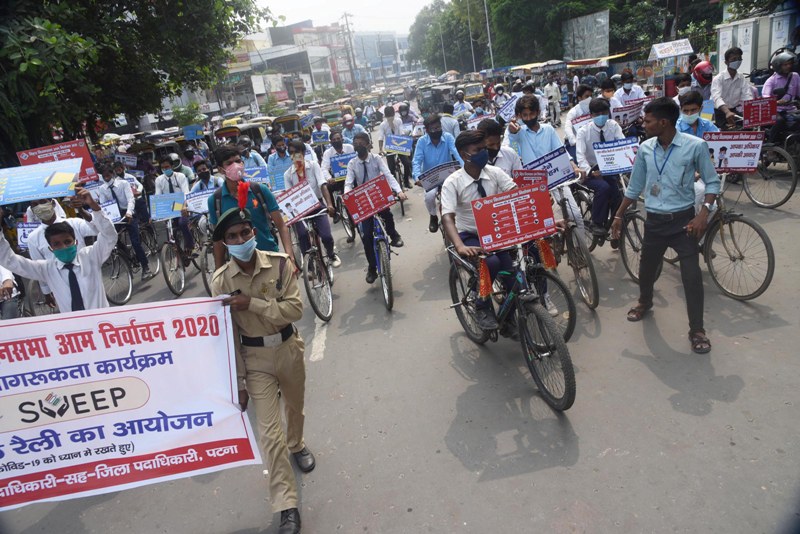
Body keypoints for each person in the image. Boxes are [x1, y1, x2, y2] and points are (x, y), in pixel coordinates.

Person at [210, 207, 312, 534]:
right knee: (269, 434)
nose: (240, 240)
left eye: (244, 233)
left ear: (254, 233)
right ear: (224, 244)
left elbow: (294, 310)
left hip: (287, 349)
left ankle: (297, 444)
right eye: (232, 237)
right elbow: (227, 335)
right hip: (254, 360)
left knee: (295, 408)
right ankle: (286, 505)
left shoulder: (280, 263)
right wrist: (238, 382)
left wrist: (251, 303)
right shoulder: (221, 281)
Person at [610, 97, 720, 354]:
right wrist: (617, 216)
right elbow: (635, 186)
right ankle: (644, 302)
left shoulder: (696, 146)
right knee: (647, 270)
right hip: (655, 223)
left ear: (663, 122)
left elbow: (712, 183)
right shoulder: (646, 148)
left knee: (691, 276)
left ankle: (697, 330)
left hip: (684, 223)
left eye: (648, 121)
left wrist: (704, 212)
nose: (644, 124)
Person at [441, 130, 518, 330]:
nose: (484, 152)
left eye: (484, 148)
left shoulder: (494, 173)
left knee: (515, 278)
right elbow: (447, 217)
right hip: (470, 236)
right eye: (478, 150)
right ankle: (481, 305)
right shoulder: (453, 182)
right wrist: (459, 245)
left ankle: (507, 317)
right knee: (490, 263)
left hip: (496, 233)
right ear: (465, 155)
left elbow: (516, 193)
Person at [0, 188, 117, 311]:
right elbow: (10, 261)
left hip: (103, 323)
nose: (64, 247)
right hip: (74, 328)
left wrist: (93, 205)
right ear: (51, 248)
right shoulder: (47, 269)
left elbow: (109, 236)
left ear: (76, 242)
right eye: (57, 244)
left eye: (67, 242)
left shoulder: (91, 256)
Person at [208, 145, 294, 271]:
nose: (235, 165)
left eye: (238, 161)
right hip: (239, 267)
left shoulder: (260, 190)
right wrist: (219, 272)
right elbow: (218, 241)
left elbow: (281, 225)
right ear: (221, 169)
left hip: (270, 257)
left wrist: (290, 256)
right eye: (229, 163)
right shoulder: (216, 201)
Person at [345, 132, 406, 283]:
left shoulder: (376, 159)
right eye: (355, 142)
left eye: (360, 142)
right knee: (366, 236)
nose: (357, 145)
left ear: (367, 144)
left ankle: (394, 235)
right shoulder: (352, 163)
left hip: (378, 196)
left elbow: (388, 175)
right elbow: (348, 182)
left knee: (387, 215)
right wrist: (346, 195)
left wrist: (399, 191)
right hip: (364, 201)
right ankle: (372, 267)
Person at [24, 198, 98, 309]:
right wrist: (46, 292)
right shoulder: (33, 238)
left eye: (43, 202)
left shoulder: (74, 223)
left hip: (87, 278)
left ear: (53, 203)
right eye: (35, 204)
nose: (39, 207)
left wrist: (82, 211)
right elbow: (39, 266)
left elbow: (98, 229)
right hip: (60, 285)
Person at [283, 140, 341, 268]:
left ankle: (331, 254)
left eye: (297, 152)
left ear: (303, 153)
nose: (294, 155)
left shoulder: (314, 165)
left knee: (326, 236)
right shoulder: (287, 174)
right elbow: (289, 195)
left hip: (317, 206)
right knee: (302, 236)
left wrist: (329, 205)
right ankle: (309, 267)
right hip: (299, 211)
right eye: (291, 153)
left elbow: (322, 185)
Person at [575, 98, 625, 237]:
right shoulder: (583, 132)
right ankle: (596, 223)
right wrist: (591, 171)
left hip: (610, 168)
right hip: (591, 172)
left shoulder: (613, 126)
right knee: (604, 188)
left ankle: (615, 225)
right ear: (591, 115)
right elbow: (580, 156)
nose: (601, 116)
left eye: (604, 112)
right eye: (597, 114)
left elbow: (622, 143)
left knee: (618, 194)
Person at [97, 164, 154, 280]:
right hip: (115, 216)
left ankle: (146, 267)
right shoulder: (102, 189)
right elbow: (103, 205)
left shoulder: (123, 183)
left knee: (135, 242)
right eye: (104, 176)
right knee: (114, 240)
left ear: (112, 174)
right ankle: (128, 257)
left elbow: (130, 199)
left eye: (108, 175)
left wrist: (129, 212)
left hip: (127, 214)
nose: (106, 178)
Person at [411, 113, 464, 232]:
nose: (437, 130)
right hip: (431, 178)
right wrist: (417, 177)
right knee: (429, 197)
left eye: (439, 127)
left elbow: (457, 154)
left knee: (460, 193)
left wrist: (464, 167)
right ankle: (433, 216)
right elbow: (416, 161)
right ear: (428, 130)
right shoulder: (421, 142)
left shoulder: (448, 137)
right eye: (434, 128)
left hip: (448, 174)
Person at [677, 90, 720, 212]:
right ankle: (688, 225)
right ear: (681, 109)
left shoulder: (708, 125)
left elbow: (720, 143)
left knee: (714, 207)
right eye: (686, 111)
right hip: (684, 174)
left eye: (693, 110)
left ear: (700, 109)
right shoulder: (676, 128)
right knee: (698, 193)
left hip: (705, 171)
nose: (689, 114)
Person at [155, 155, 195, 265]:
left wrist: (184, 206)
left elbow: (186, 192)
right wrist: (154, 214)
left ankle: (190, 245)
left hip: (182, 205)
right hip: (169, 208)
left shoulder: (181, 176)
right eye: (163, 168)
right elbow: (157, 196)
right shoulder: (159, 180)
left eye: (167, 167)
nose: (165, 170)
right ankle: (181, 254)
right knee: (171, 231)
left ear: (172, 166)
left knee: (182, 223)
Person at [507, 95, 564, 166]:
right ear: (520, 116)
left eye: (532, 114)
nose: (529, 118)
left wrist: (573, 166)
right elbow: (514, 150)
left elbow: (561, 150)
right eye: (525, 115)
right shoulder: (518, 132)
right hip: (531, 176)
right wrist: (513, 133)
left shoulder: (548, 129)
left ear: (538, 112)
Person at [762, 49, 800, 144]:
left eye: (790, 64)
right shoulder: (771, 81)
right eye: (785, 64)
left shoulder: (795, 76)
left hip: (791, 109)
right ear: (778, 66)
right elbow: (765, 98)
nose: (789, 66)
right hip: (775, 110)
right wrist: (777, 102)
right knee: (780, 121)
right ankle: (770, 147)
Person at [711, 47, 754, 127]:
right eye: (734, 59)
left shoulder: (741, 77)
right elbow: (717, 97)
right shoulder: (719, 78)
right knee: (725, 132)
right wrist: (727, 112)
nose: (737, 61)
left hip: (733, 111)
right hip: (719, 112)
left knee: (746, 128)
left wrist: (752, 110)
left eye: (739, 59)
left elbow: (747, 95)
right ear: (726, 62)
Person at [378, 106, 412, 189]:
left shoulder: (398, 121)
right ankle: (394, 187)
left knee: (407, 163)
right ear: (385, 116)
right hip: (389, 147)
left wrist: (405, 142)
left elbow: (401, 132)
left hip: (399, 145)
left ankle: (406, 181)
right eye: (388, 116)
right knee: (391, 169)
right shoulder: (383, 125)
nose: (390, 118)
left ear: (394, 114)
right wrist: (380, 149)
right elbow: (381, 137)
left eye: (391, 115)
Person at [563, 84, 593, 159]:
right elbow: (568, 126)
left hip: (589, 141)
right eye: (586, 96)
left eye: (590, 96)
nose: (589, 98)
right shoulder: (573, 112)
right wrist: (574, 141)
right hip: (574, 143)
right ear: (579, 98)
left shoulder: (593, 110)